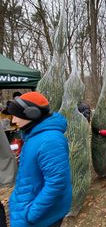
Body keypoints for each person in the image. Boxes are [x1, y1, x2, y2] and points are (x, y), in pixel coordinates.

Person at [7, 91, 72, 226]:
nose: (13, 121)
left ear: (32, 114)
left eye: (15, 116)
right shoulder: (34, 135)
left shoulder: (50, 141)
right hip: (28, 206)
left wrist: (32, 215)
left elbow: (56, 183)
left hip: (41, 217)